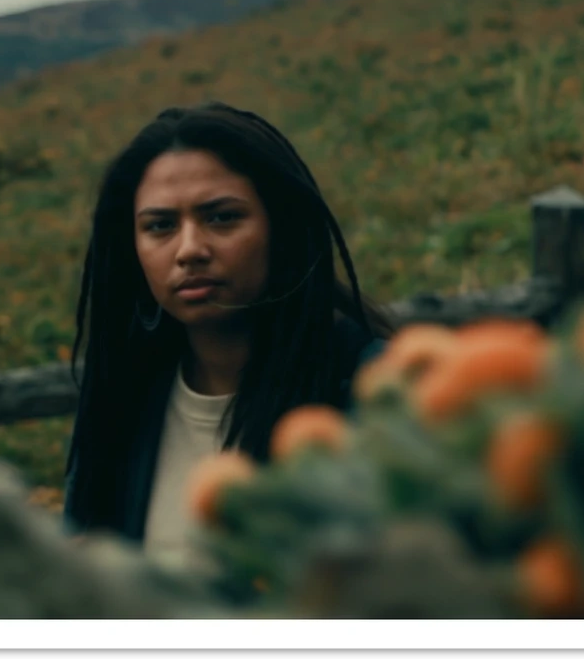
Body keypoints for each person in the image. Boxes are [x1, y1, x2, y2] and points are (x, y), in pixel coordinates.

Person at [60, 102, 399, 573]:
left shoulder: (371, 392)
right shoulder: (121, 406)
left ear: (279, 226)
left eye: (221, 217)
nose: (190, 249)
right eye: (160, 226)